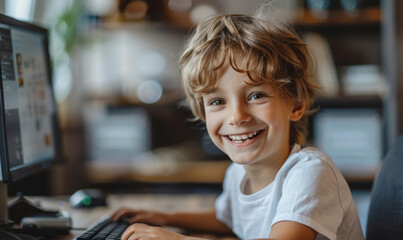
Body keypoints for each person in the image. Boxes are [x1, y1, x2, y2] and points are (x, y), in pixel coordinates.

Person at [111, 14, 364, 240]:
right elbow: (229, 219)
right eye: (218, 101)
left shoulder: (310, 173)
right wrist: (167, 218)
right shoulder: (238, 173)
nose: (236, 116)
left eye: (256, 96)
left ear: (296, 105)